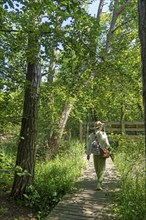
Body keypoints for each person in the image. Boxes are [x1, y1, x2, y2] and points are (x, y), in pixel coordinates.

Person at [86, 121, 110, 190]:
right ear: (101, 127)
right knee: (102, 168)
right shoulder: (103, 134)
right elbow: (107, 144)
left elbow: (89, 145)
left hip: (95, 153)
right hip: (102, 153)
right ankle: (99, 184)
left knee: (97, 168)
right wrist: (107, 149)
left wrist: (88, 154)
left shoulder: (91, 135)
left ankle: (100, 182)